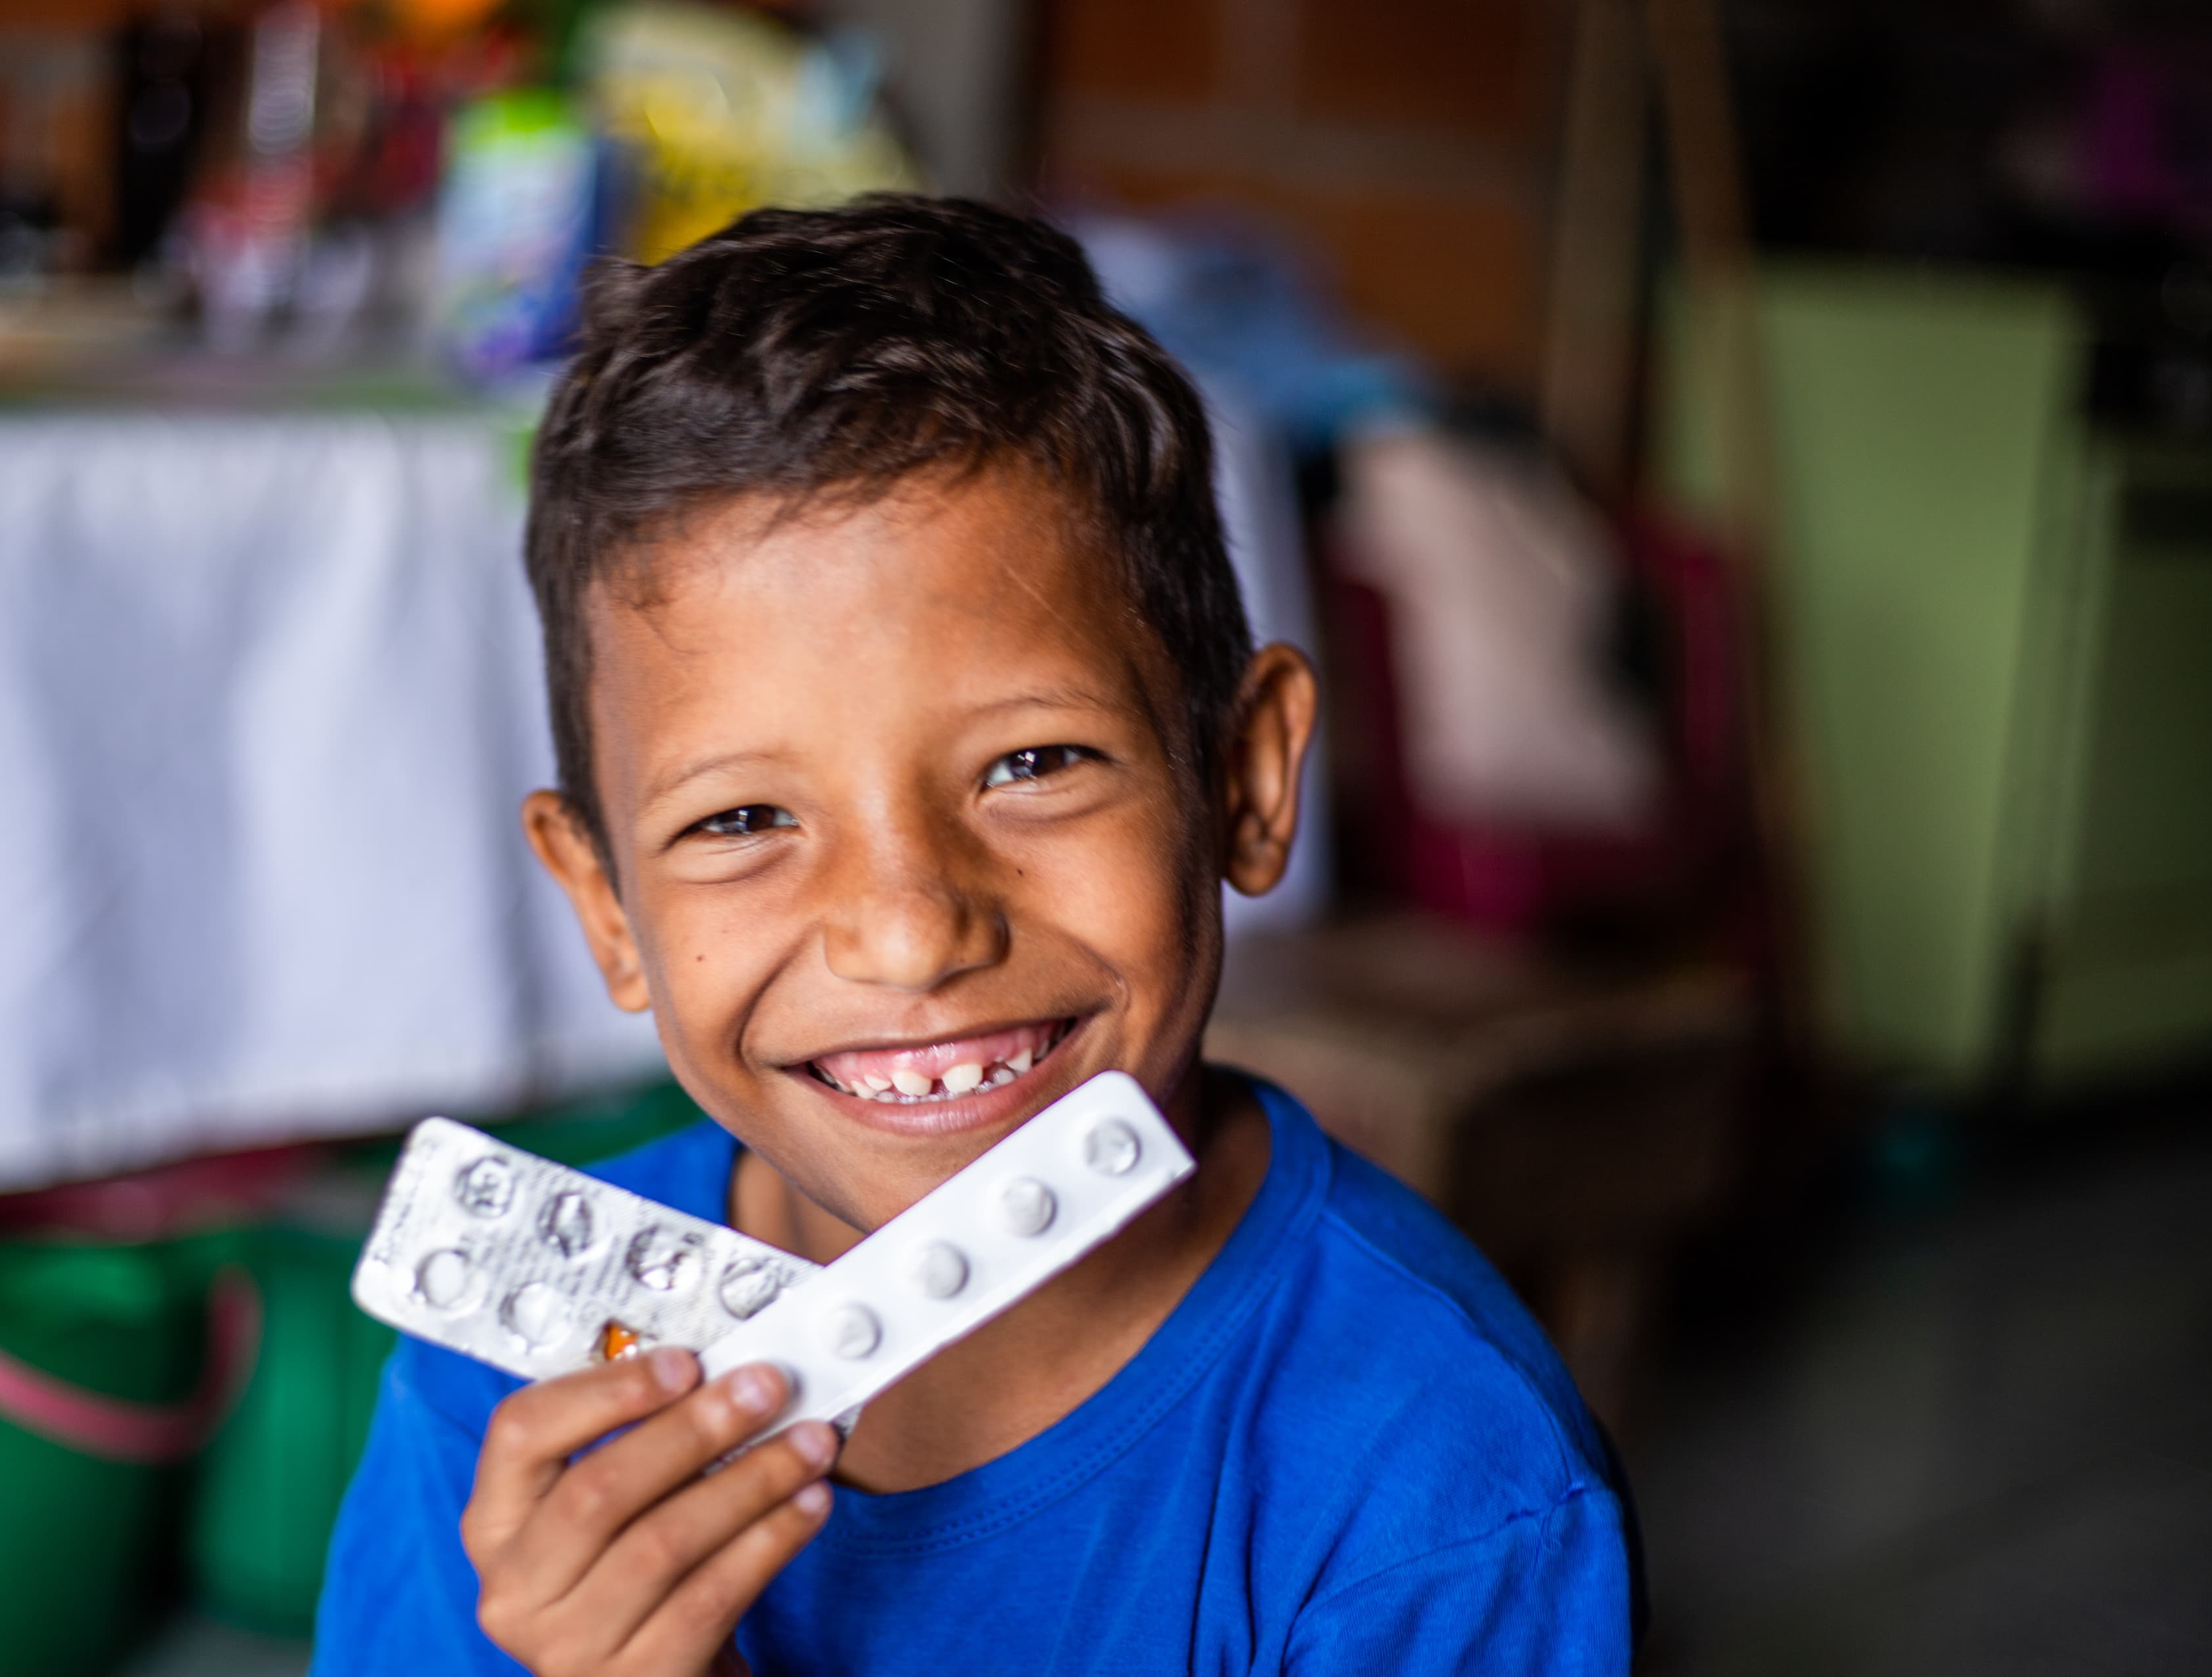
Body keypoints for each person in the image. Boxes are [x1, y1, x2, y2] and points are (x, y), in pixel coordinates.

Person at [314, 195, 1634, 1676]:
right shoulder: (512, 1392)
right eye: (742, 819)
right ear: (610, 908)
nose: (906, 931)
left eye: (1033, 764)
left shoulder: (1439, 1486)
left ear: (1246, 781)